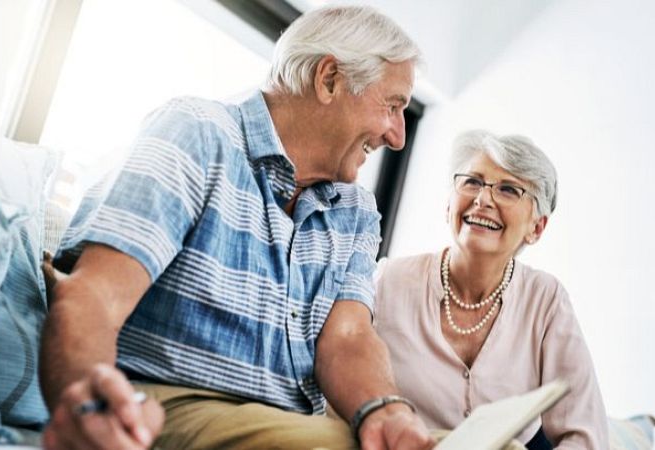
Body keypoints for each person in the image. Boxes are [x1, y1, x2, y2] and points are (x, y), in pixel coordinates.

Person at [40, 6, 435, 450]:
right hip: (169, 403)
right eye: (393, 106)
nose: (397, 136)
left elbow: (348, 337)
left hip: (283, 426)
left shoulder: (357, 209)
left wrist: (385, 409)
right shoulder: (197, 132)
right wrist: (86, 405)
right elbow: (96, 293)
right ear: (329, 80)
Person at [374, 130, 609, 449]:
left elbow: (585, 434)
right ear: (448, 206)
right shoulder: (388, 281)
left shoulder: (547, 299)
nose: (483, 199)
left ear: (536, 227)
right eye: (471, 182)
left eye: (509, 189)